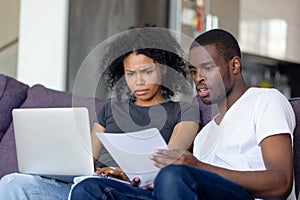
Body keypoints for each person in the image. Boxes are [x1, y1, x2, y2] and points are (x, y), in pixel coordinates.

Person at [69, 29, 296, 200]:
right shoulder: (205, 134)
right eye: (194, 71)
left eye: (207, 68)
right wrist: (134, 181)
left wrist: (195, 167)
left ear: (234, 65)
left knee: (174, 175)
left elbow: (281, 183)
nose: (198, 78)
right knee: (90, 188)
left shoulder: (265, 101)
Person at [0, 25, 200, 200]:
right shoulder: (110, 110)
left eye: (147, 71)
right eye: (130, 74)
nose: (138, 81)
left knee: (87, 188)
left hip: (126, 191)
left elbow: (170, 163)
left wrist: (122, 173)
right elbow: (86, 162)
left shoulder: (184, 111)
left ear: (164, 69)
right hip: (89, 183)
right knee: (13, 183)